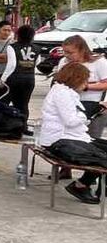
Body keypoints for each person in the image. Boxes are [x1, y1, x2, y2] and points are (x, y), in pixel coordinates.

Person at [39, 62, 107, 205]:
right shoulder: (62, 93)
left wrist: (92, 112)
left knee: (102, 149)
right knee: (100, 157)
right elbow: (71, 120)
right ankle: (81, 186)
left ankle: (87, 185)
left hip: (70, 136)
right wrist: (87, 114)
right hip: (59, 139)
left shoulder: (65, 92)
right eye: (85, 80)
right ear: (76, 79)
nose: (86, 84)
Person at [56, 35, 107, 139]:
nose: (67, 55)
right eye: (65, 52)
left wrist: (85, 87)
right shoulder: (64, 62)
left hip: (94, 106)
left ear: (82, 50)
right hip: (69, 106)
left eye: (70, 53)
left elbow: (105, 83)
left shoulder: (99, 63)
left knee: (91, 138)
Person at [0, 24, 37, 123]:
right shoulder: (37, 48)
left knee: (10, 102)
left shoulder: (12, 47)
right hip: (29, 79)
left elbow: (12, 65)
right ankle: (23, 126)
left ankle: (8, 124)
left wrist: (3, 78)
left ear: (19, 35)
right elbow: (38, 62)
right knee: (24, 104)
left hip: (15, 78)